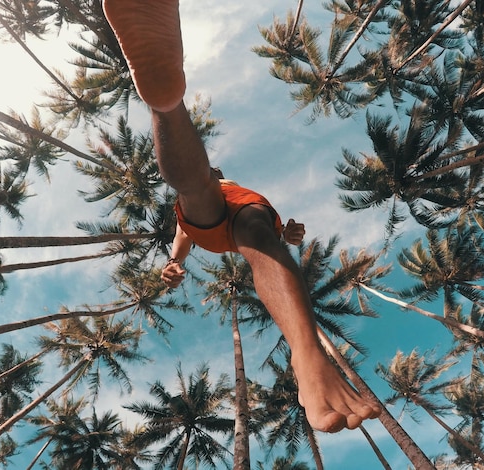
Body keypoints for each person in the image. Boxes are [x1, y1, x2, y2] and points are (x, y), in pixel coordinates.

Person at [102, 0, 381, 433]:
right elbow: (185, 239)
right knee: (248, 229)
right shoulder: (230, 191)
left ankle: (166, 103)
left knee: (206, 199)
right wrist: (177, 260)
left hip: (227, 222)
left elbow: (184, 237)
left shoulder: (209, 193)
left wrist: (180, 261)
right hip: (245, 217)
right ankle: (306, 352)